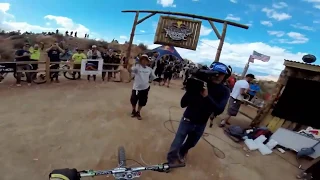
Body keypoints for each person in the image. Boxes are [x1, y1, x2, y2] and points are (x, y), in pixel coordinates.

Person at [166, 62, 230, 165]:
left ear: (225, 76)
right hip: (188, 119)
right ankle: (170, 161)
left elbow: (219, 110)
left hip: (201, 123)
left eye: (222, 74)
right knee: (177, 142)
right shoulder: (200, 83)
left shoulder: (225, 91)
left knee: (191, 143)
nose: (218, 76)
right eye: (216, 73)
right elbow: (183, 103)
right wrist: (191, 90)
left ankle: (182, 152)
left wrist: (206, 96)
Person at [130, 54, 156, 120]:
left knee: (142, 101)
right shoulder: (137, 67)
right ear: (140, 60)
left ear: (147, 61)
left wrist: (150, 81)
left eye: (145, 60)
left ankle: (138, 112)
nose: (144, 61)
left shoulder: (149, 69)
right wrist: (130, 64)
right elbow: (131, 70)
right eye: (142, 60)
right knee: (133, 100)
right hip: (136, 88)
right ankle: (133, 110)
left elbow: (153, 76)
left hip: (145, 88)